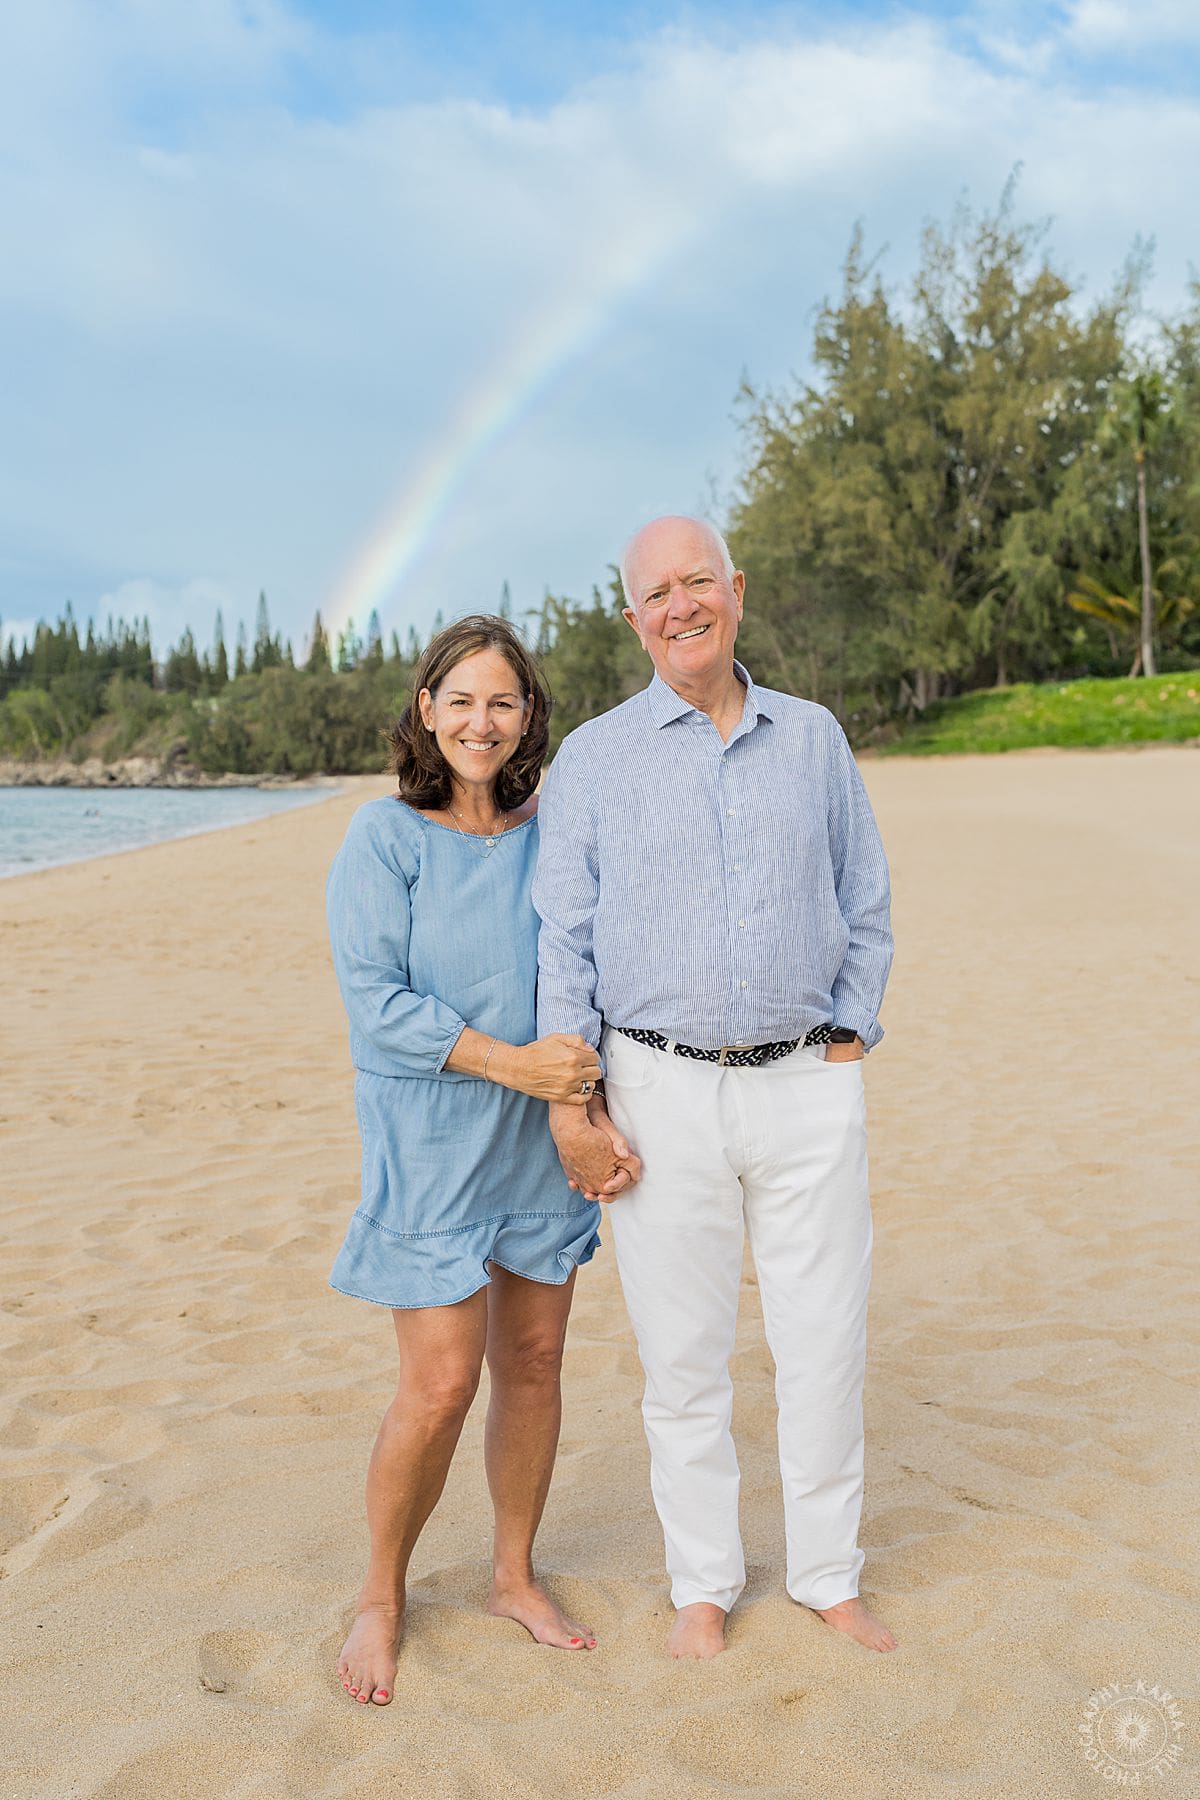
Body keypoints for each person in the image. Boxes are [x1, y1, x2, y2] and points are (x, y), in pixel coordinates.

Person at [533, 516, 897, 1660]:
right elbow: (564, 942)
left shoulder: (815, 738)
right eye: (657, 590)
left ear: (735, 590)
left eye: (699, 581)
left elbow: (867, 897)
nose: (681, 604)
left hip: (805, 1082)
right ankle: (704, 1582)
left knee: (823, 1338)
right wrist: (572, 1101)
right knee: (683, 1357)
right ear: (631, 616)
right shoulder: (593, 757)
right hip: (655, 1087)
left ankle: (828, 1575)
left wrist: (844, 1043)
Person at [326, 615, 627, 1707]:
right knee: (442, 1381)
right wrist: (516, 1068)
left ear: (529, 715)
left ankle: (512, 1576)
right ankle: (380, 1596)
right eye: (460, 701)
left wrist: (583, 1104)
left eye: (502, 702)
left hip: (543, 1139)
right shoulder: (383, 838)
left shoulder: (555, 834)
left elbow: (591, 966)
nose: (480, 722)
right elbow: (377, 1008)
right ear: (427, 711)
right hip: (436, 1142)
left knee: (535, 1365)